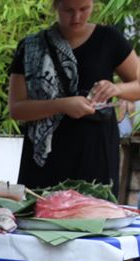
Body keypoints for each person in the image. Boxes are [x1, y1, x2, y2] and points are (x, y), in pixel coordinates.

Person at [8, 0, 140, 193]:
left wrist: (116, 89)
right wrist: (63, 105)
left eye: (84, 9)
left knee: (94, 216)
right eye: (69, 10)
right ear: (55, 6)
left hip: (96, 152)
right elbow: (17, 108)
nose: (77, 17)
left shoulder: (109, 39)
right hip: (45, 156)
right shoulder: (31, 47)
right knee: (42, 217)